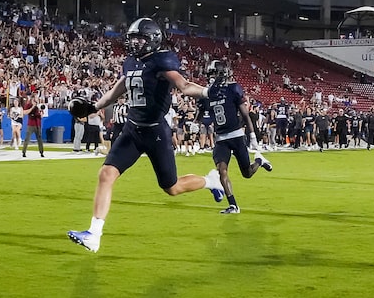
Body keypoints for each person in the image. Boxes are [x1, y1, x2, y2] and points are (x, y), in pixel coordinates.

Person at [66, 17, 225, 253]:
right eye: (132, 39)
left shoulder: (162, 61)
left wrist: (205, 91)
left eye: (139, 39)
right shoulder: (131, 62)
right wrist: (93, 107)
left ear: (152, 40)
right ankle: (94, 234)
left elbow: (183, 85)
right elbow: (115, 91)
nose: (134, 44)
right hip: (132, 129)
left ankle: (210, 181)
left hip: (155, 132)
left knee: (171, 188)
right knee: (106, 174)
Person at [199, 59, 272, 214]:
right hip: (220, 139)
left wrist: (252, 136)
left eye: (212, 74)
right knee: (222, 171)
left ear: (220, 74)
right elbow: (201, 113)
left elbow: (245, 115)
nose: (210, 77)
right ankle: (233, 205)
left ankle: (259, 160)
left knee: (247, 173)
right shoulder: (207, 93)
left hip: (236, 135)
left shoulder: (233, 88)